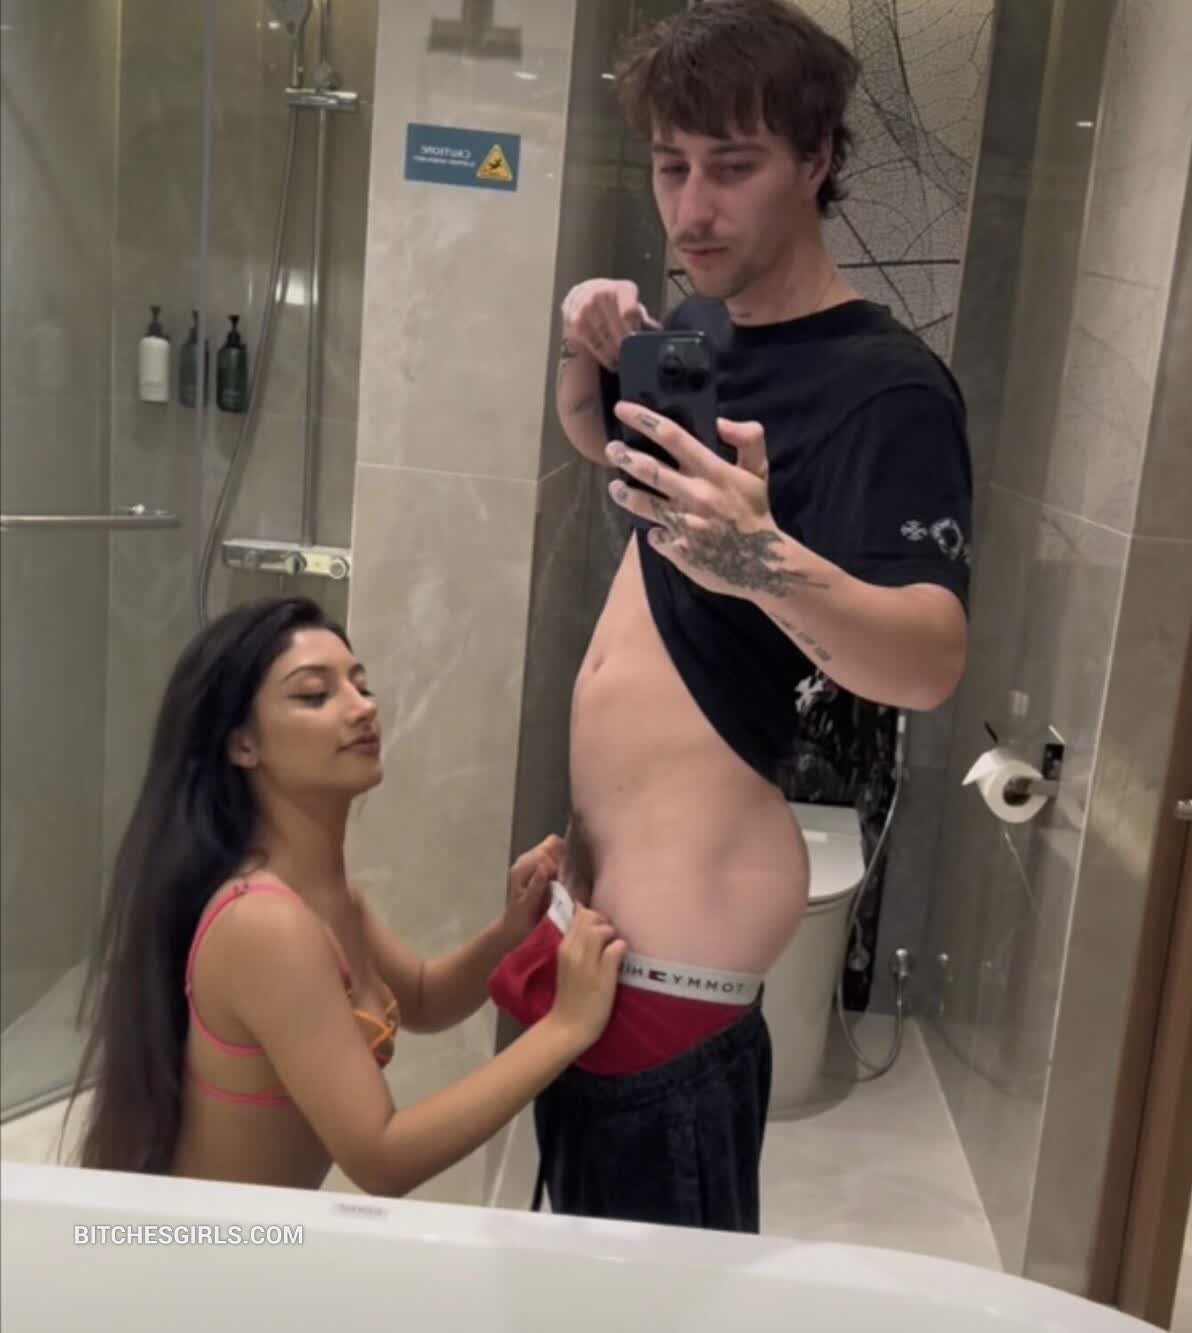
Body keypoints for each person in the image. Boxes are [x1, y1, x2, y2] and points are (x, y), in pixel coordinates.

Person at [489, 0, 972, 1233]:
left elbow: (929, 660)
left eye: (734, 167)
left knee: (650, 1303)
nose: (692, 209)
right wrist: (582, 351)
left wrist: (761, 561)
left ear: (817, 161)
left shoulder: (887, 388)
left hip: (684, 956)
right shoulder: (695, 334)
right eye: (672, 166)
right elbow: (608, 451)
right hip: (605, 929)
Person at [66, 596, 624, 1194]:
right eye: (315, 695)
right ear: (242, 745)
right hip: (215, 1244)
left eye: (362, 686)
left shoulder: (330, 899)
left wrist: (511, 931)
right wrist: (565, 1027)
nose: (363, 708)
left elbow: (423, 998)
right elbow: (382, 1158)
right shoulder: (264, 925)